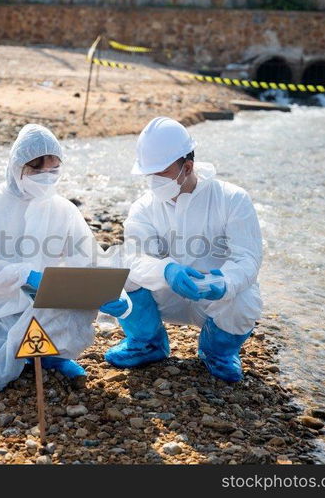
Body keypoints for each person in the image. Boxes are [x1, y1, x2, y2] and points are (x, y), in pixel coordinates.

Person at [0, 124, 129, 391]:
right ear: (17, 165)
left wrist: (119, 295)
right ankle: (23, 352)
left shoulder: (63, 210)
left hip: (45, 304)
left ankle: (49, 355)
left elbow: (90, 261)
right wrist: (24, 276)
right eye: (36, 168)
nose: (45, 176)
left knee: (82, 299)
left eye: (53, 169)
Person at [105, 117, 263, 383]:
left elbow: (247, 258)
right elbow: (137, 257)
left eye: (160, 173)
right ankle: (147, 344)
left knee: (245, 297)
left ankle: (218, 352)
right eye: (149, 174)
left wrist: (223, 283)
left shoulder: (232, 199)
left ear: (187, 166)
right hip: (167, 292)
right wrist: (166, 270)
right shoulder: (144, 207)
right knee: (121, 268)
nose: (153, 181)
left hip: (213, 297)